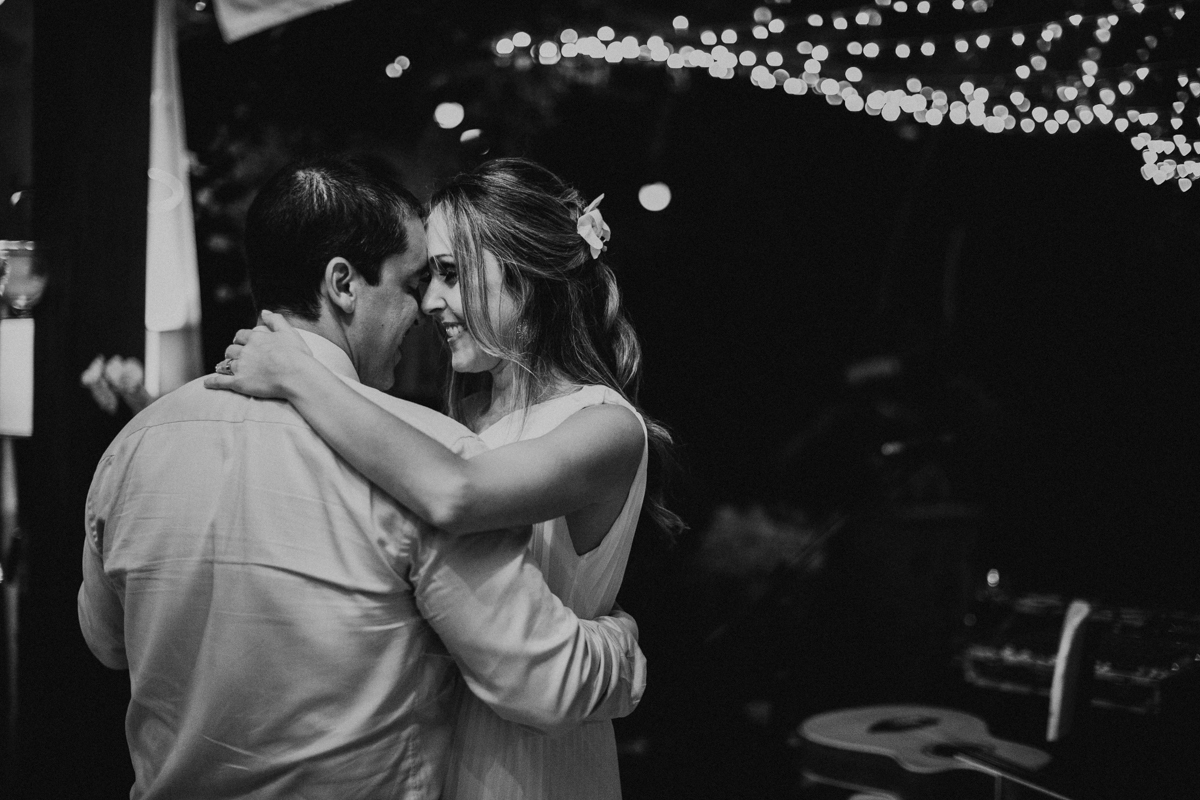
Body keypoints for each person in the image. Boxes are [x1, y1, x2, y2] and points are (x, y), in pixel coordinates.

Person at [77, 153, 646, 800]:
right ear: (343, 285)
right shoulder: (433, 441)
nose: (426, 304)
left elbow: (106, 642)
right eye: (418, 280)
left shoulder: (136, 445)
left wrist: (296, 374)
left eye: (448, 275)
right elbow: (539, 678)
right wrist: (624, 647)